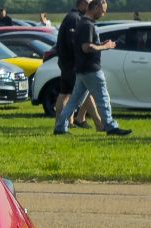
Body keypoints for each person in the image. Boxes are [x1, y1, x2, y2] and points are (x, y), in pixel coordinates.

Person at [56, 0, 130, 135]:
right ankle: (111, 126)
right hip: (91, 70)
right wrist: (105, 46)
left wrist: (100, 44)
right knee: (103, 99)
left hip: (82, 70)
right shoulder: (87, 25)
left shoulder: (81, 22)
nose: (103, 14)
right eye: (103, 11)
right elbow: (86, 47)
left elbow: (86, 44)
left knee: (74, 102)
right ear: (95, 8)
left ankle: (60, 127)